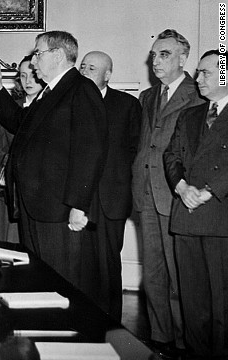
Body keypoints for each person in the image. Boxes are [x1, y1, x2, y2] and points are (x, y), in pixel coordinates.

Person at [0, 31, 107, 302]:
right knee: (41, 279)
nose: (33, 60)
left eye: (38, 53)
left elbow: (91, 151)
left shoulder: (81, 89)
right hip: (37, 206)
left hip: (60, 210)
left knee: (63, 282)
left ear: (59, 55)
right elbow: (20, 122)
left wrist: (79, 205)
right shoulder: (50, 93)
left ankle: (66, 336)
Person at [131, 29, 204, 356]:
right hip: (146, 196)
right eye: (154, 55)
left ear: (182, 59)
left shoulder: (198, 93)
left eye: (165, 55)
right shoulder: (147, 96)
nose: (156, 61)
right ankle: (160, 338)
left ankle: (182, 342)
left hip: (176, 197)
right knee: (153, 275)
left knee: (179, 277)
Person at [163, 49, 228, 359]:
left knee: (222, 304)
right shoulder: (190, 114)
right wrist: (181, 186)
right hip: (187, 217)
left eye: (206, 72)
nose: (198, 78)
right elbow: (171, 155)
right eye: (198, 72)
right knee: (193, 302)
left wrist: (209, 190)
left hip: (220, 219)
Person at [79, 51, 141, 321]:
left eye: (91, 68)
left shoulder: (127, 105)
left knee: (108, 266)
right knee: (80, 265)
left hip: (111, 200)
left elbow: (134, 151)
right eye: (81, 67)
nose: (83, 73)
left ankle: (110, 326)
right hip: (78, 200)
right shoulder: (70, 103)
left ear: (107, 75)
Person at [0, 55, 44, 243]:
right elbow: (0, 150)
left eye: (32, 75)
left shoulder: (51, 108)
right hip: (12, 191)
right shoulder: (10, 108)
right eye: (22, 76)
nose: (28, 81)